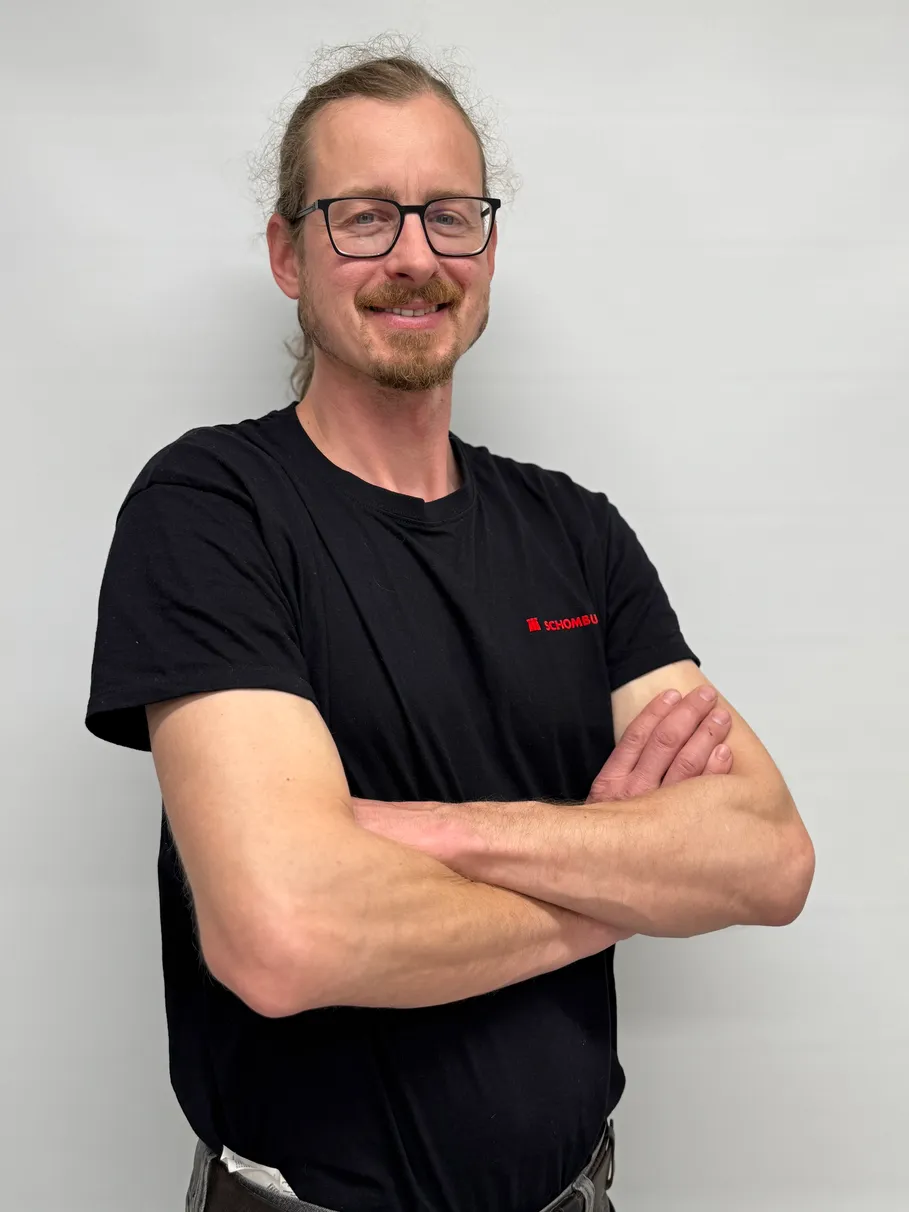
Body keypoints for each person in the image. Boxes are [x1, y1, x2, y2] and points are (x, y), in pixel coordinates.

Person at [85, 49, 815, 1212]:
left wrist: (420, 834)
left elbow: (768, 859)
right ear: (289, 253)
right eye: (365, 217)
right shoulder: (212, 509)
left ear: (487, 247)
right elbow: (284, 935)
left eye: (450, 216)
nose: (415, 256)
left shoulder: (577, 533)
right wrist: (620, 876)